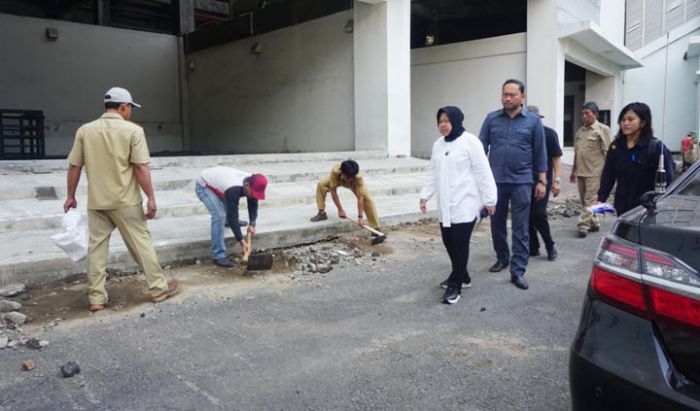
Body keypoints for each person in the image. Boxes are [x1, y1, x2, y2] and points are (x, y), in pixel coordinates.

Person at [63, 87, 178, 312]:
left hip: (97, 203)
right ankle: (158, 288)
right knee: (141, 244)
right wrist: (151, 197)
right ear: (123, 106)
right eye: (130, 108)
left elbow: (74, 166)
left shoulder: (85, 130)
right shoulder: (133, 131)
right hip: (126, 202)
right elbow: (141, 167)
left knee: (96, 250)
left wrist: (70, 196)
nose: (130, 112)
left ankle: (96, 298)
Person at [420, 106, 497, 304]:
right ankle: (463, 275)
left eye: (446, 121)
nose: (443, 125)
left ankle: (456, 284)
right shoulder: (438, 145)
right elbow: (432, 172)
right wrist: (425, 195)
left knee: (460, 244)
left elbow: (482, 171)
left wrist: (489, 200)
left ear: (456, 120)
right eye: (440, 121)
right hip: (445, 204)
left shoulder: (470, 142)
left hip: (466, 202)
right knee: (448, 241)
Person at [479, 79, 547, 290]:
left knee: (520, 228)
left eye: (512, 95)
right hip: (495, 182)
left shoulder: (534, 121)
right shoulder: (491, 119)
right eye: (504, 94)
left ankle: (518, 270)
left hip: (522, 182)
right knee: (496, 223)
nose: (507, 98)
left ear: (522, 97)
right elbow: (480, 150)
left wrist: (542, 181)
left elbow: (540, 152)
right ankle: (502, 257)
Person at [598, 102, 674, 216]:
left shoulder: (655, 147)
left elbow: (668, 180)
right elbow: (608, 175)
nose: (625, 123)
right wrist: (601, 199)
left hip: (647, 208)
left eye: (630, 119)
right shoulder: (616, 146)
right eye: (623, 120)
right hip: (622, 206)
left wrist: (662, 204)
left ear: (643, 122)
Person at [195, 166, 268, 267]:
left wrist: (252, 223)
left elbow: (253, 202)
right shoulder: (234, 189)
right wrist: (241, 241)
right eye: (254, 193)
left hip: (221, 183)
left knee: (230, 211)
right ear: (247, 186)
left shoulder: (252, 182)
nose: (255, 196)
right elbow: (232, 215)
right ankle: (218, 255)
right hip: (204, 185)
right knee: (220, 215)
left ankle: (228, 222)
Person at [569, 102, 612, 238]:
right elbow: (577, 152)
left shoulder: (603, 129)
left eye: (587, 113)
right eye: (582, 114)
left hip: (595, 171)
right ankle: (594, 222)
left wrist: (609, 172)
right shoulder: (580, 132)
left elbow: (609, 151)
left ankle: (583, 225)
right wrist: (573, 171)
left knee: (589, 200)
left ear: (595, 114)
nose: (584, 116)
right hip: (581, 171)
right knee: (584, 201)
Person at [526, 105, 562, 261]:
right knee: (526, 215)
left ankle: (550, 245)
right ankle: (533, 247)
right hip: (524, 181)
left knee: (538, 213)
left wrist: (557, 181)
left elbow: (556, 159)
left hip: (542, 181)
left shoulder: (549, 134)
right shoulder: (523, 134)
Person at [310, 160, 382, 233]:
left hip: (354, 184)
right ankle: (321, 213)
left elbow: (360, 198)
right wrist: (340, 210)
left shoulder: (358, 178)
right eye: (348, 177)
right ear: (342, 173)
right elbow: (333, 191)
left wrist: (360, 217)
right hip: (339, 179)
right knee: (321, 185)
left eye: (352, 177)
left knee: (368, 199)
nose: (350, 180)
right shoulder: (335, 172)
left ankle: (376, 228)